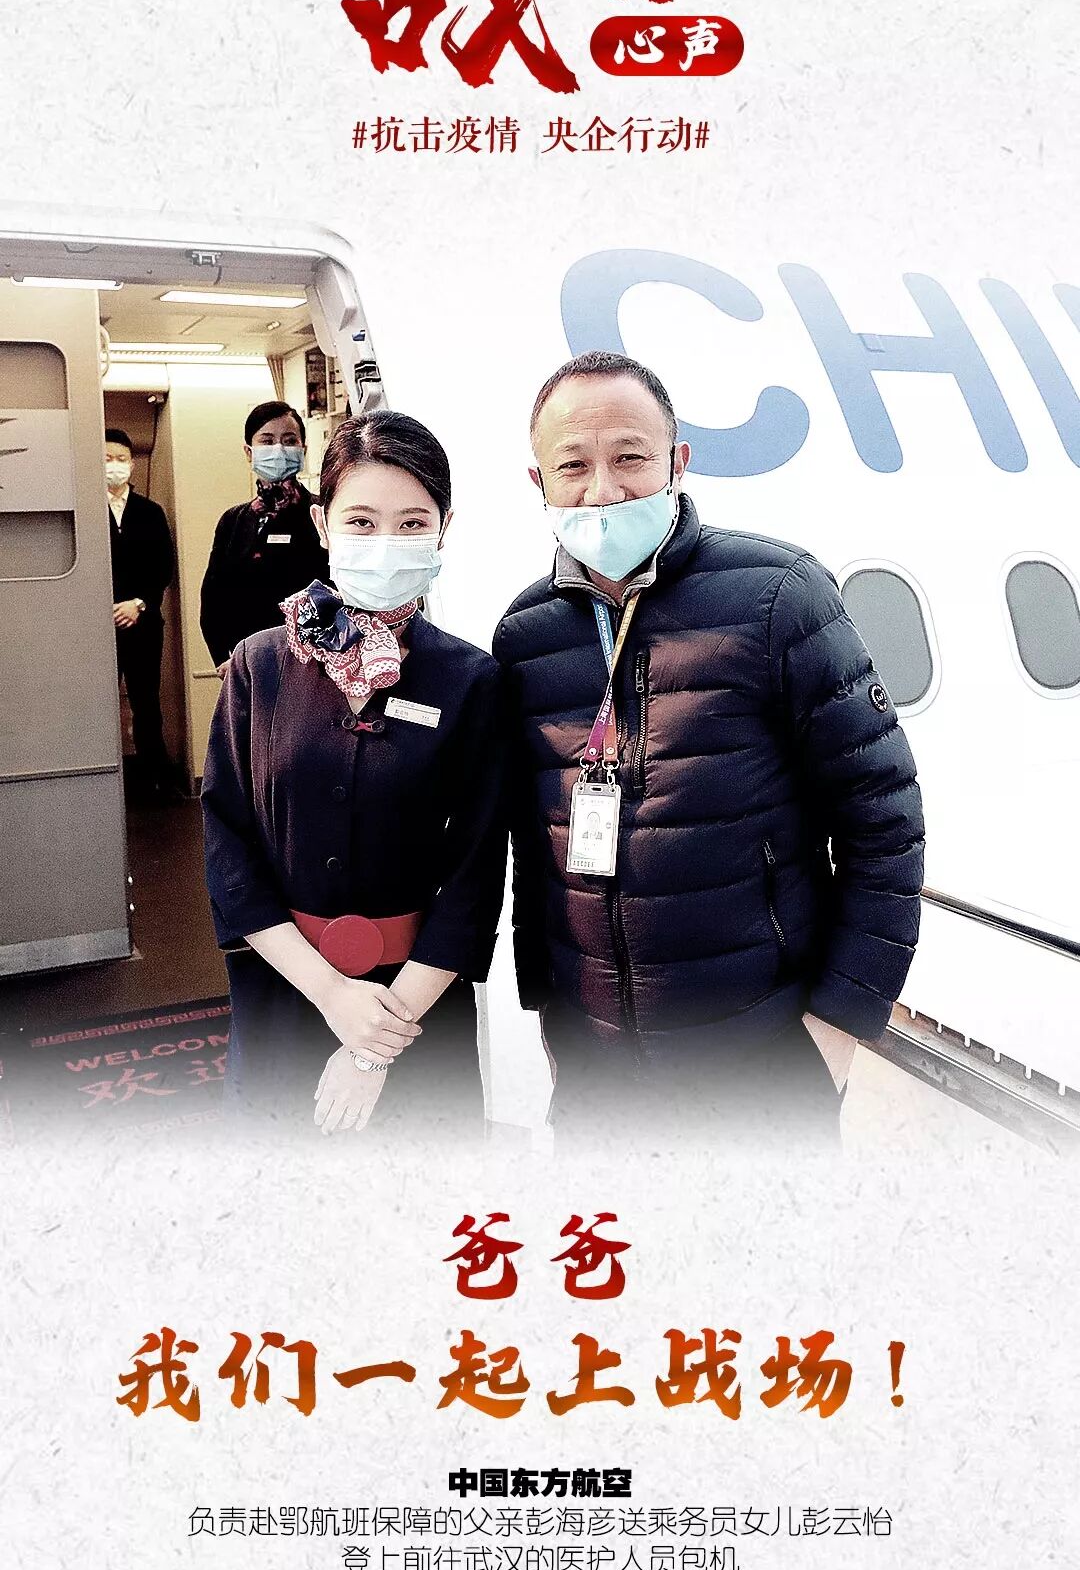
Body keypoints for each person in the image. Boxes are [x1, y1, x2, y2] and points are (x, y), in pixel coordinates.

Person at [492, 351, 926, 1150]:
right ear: (538, 482)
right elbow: (533, 841)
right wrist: (548, 1008)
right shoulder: (525, 636)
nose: (603, 490)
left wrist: (839, 1026)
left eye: (630, 458)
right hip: (597, 1075)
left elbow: (884, 820)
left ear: (677, 462)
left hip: (759, 1061)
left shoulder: (777, 596)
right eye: (573, 465)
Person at [200, 411, 507, 1139]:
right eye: (362, 522)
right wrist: (333, 996)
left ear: (444, 529)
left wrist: (376, 1044)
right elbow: (227, 840)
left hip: (416, 1010)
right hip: (285, 992)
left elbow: (475, 872)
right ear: (323, 522)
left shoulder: (469, 679)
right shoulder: (258, 666)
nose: (386, 543)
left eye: (412, 523)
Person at [199, 401, 330, 678]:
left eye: (289, 441)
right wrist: (225, 657)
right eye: (267, 441)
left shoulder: (324, 514)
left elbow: (336, 591)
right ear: (249, 452)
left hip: (314, 665)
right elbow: (213, 598)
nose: (279, 450)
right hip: (247, 664)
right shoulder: (233, 521)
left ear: (303, 450)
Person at [105, 427, 180, 801]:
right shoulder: (86, 511)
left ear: (132, 464)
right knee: (99, 703)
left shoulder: (150, 512)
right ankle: (106, 782)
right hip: (98, 626)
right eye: (107, 459)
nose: (115, 466)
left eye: (121, 459)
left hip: (144, 622)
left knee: (146, 702)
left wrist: (138, 603)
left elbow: (163, 566)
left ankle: (157, 782)